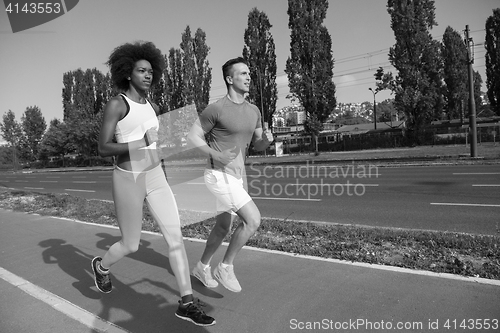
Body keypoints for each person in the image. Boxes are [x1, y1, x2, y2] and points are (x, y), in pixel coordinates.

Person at [91, 41, 215, 327]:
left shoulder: (153, 105)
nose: (148, 76)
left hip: (156, 175)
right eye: (141, 71)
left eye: (150, 71)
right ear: (127, 73)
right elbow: (103, 148)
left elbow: (156, 145)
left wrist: (176, 144)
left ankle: (186, 302)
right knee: (131, 244)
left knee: (175, 238)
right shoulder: (117, 104)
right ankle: (102, 265)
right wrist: (140, 142)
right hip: (128, 178)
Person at [188, 57, 273, 293]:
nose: (248, 77)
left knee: (223, 227)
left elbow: (258, 145)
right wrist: (213, 153)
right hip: (218, 174)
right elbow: (192, 136)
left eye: (249, 73)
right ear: (229, 79)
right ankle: (225, 267)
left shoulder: (253, 110)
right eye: (243, 73)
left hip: (237, 176)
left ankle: (201, 267)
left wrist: (266, 141)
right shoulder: (216, 109)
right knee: (253, 220)